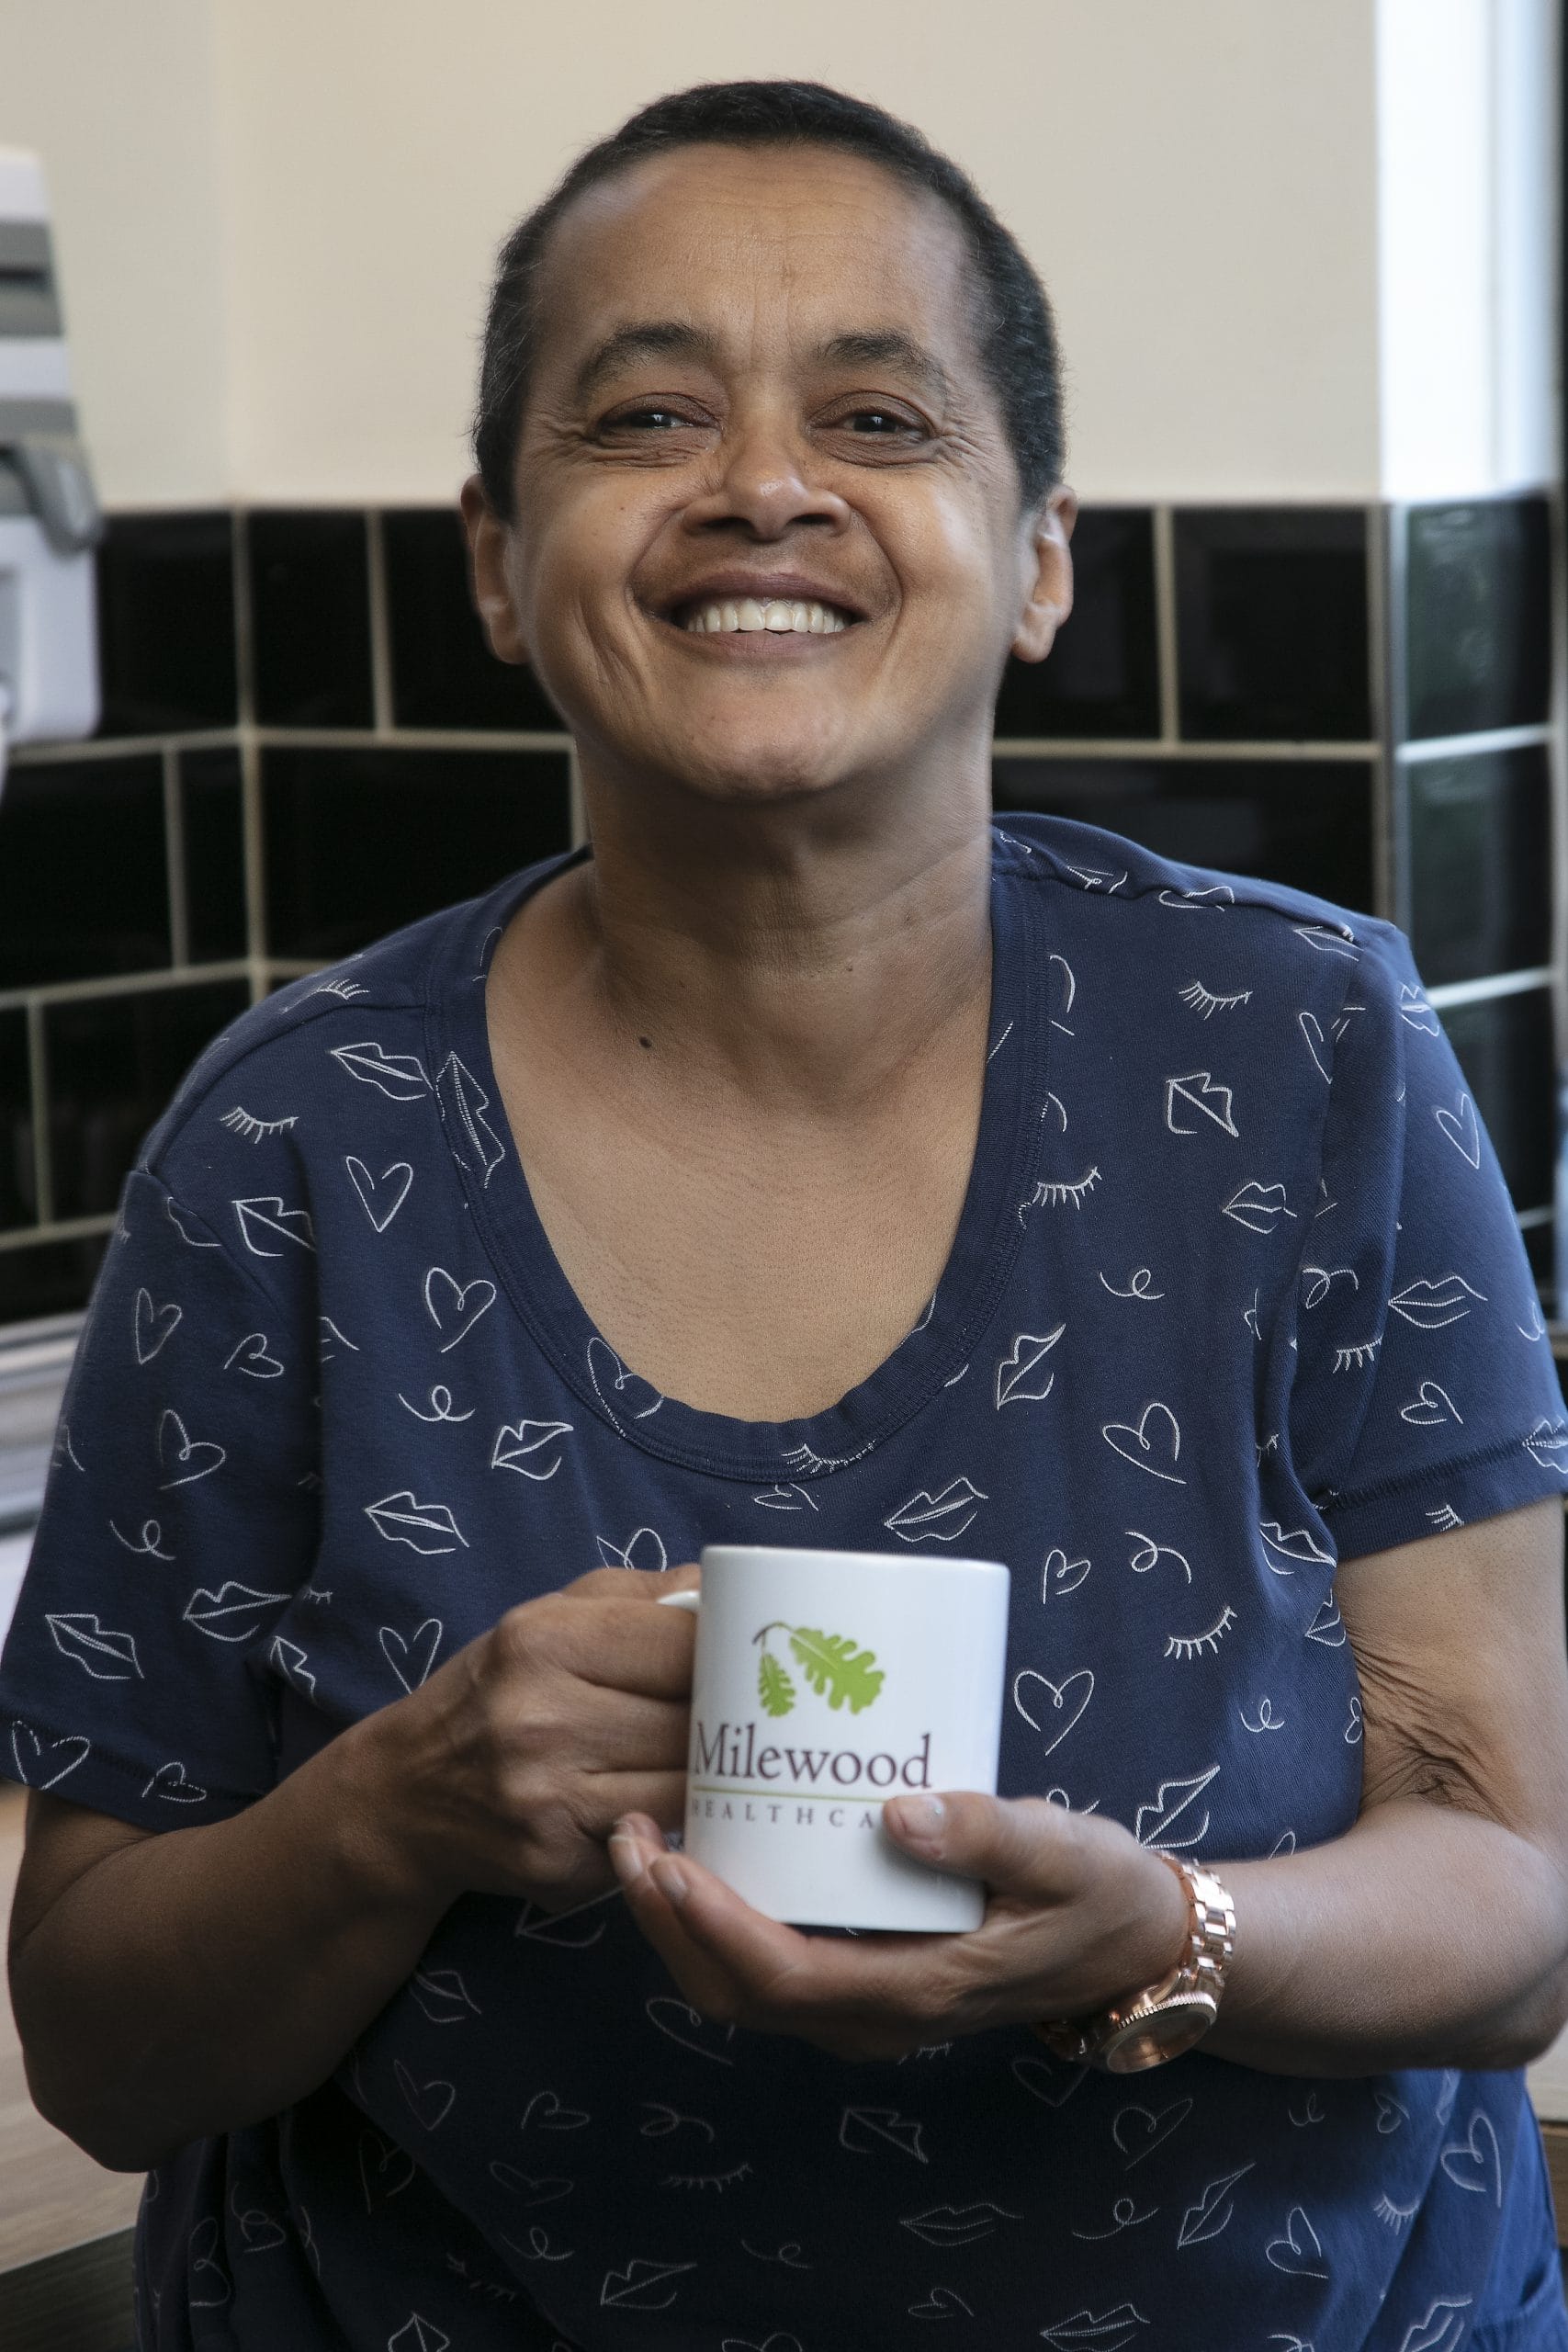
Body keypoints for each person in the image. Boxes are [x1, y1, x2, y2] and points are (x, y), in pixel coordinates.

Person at [5, 77, 1568, 2352]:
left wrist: (1165, 1930)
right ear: (492, 557)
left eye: (876, 414)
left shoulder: (1296, 1045)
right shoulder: (294, 1142)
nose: (759, 482)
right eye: (645, 412)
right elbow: (99, 2041)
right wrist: (397, 1803)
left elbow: (1510, 1897)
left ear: (1037, 553)